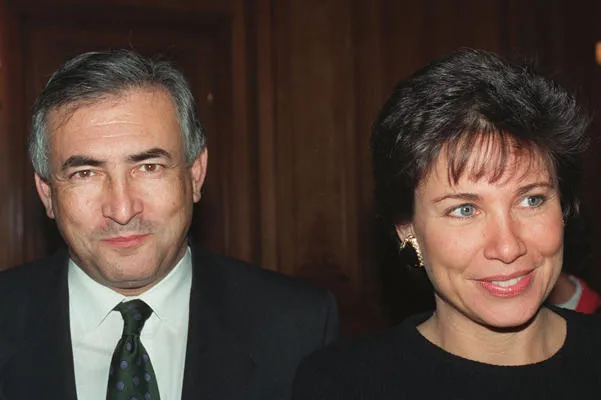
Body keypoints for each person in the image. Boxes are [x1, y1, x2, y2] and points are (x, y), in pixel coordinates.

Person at [0, 49, 339, 400]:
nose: (122, 210)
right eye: (85, 173)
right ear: (47, 194)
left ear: (195, 175)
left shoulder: (298, 326)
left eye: (149, 167)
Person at [292, 48, 601, 399]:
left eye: (531, 200)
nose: (507, 247)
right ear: (407, 228)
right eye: (465, 210)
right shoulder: (342, 385)